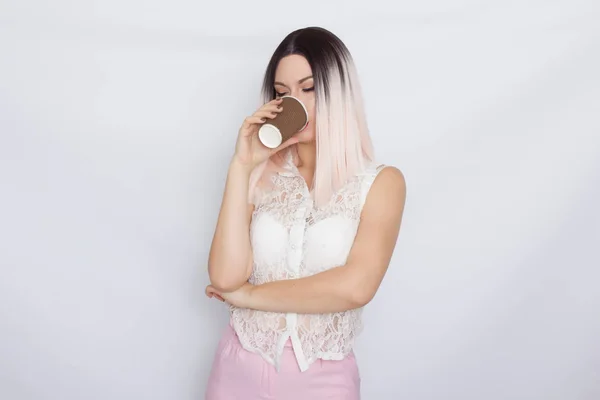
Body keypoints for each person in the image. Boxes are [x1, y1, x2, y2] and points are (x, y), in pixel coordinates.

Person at [204, 26, 406, 400]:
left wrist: (247, 297)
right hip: (237, 371)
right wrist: (240, 166)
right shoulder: (261, 173)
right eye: (282, 93)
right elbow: (224, 274)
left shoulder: (381, 183)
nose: (293, 103)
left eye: (308, 88)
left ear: (338, 90)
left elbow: (355, 287)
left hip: (323, 381)